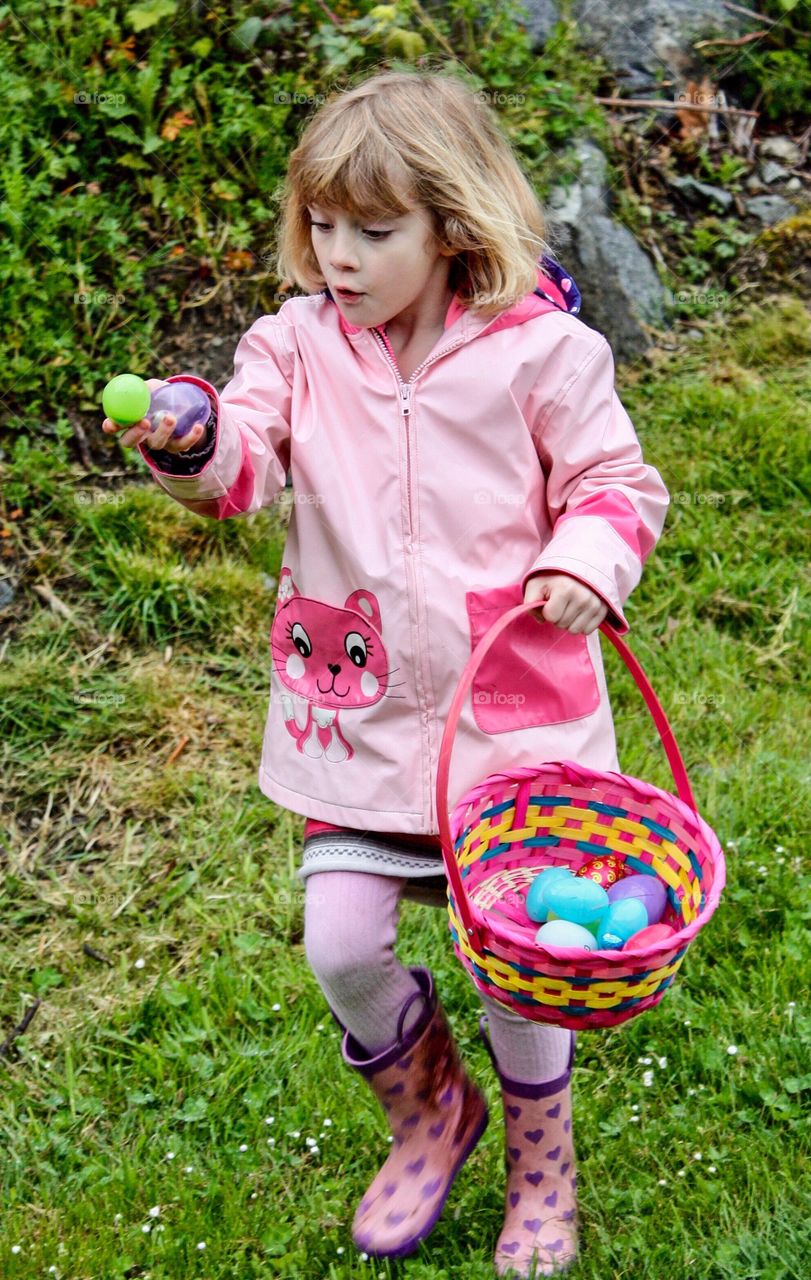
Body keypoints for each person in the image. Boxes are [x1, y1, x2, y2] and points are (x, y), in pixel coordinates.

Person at [101, 67, 670, 1277]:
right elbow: (244, 458)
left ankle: (540, 1160)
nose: (338, 255)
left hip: (514, 736)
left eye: (374, 230)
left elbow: (618, 487)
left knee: (517, 956)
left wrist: (584, 562)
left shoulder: (544, 357)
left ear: (452, 228)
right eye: (320, 224)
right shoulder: (298, 345)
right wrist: (195, 435)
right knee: (341, 942)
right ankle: (428, 1109)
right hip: (356, 724)